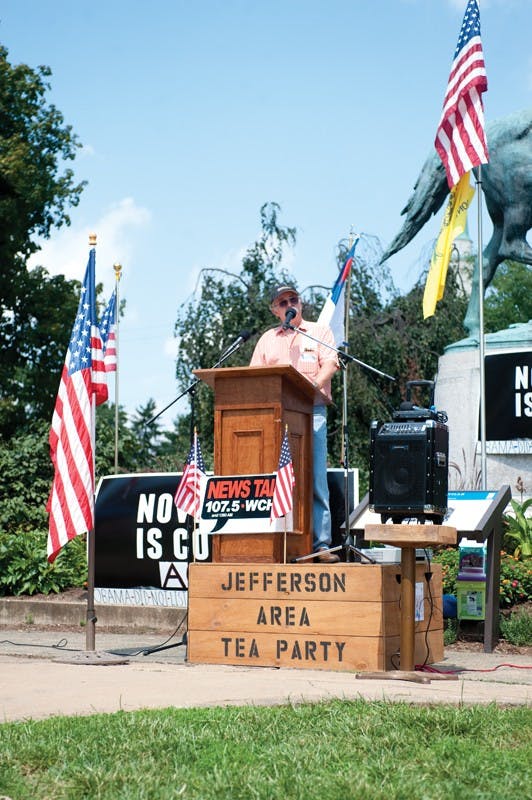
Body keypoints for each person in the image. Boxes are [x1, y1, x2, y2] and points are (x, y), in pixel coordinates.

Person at [250, 285, 341, 563]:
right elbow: (254, 376)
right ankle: (278, 544)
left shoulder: (319, 332)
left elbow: (331, 364)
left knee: (315, 480)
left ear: (300, 304)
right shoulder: (268, 339)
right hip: (276, 418)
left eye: (294, 299)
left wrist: (309, 387)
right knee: (277, 481)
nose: (290, 304)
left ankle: (321, 545)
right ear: (275, 310)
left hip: (312, 412)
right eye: (283, 302)